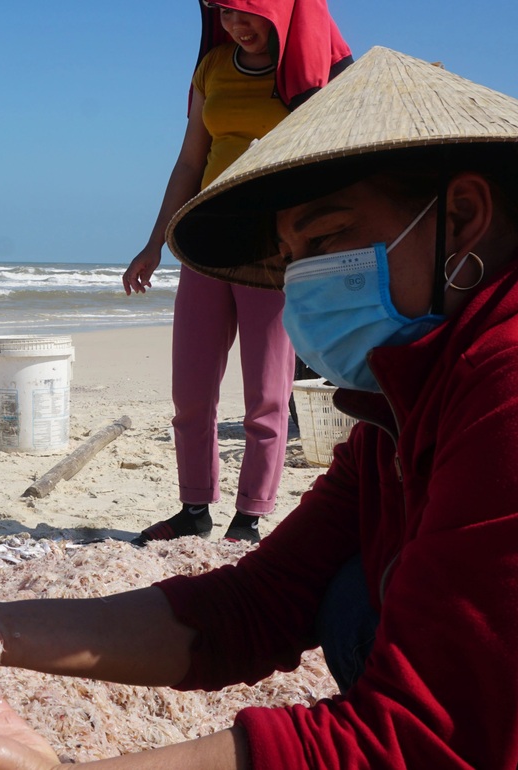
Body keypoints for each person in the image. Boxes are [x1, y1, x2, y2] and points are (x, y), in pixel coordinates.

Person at [0, 47, 518, 769]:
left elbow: (421, 737)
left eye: (327, 240)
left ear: (462, 218)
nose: (303, 284)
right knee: (350, 593)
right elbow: (257, 605)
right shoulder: (414, 383)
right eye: (291, 259)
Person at [123, 0, 352, 545]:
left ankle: (249, 517)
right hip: (206, 239)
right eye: (224, 14)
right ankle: (194, 509)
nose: (236, 26)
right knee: (192, 390)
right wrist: (155, 242)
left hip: (275, 249)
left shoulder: (310, 76)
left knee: (267, 394)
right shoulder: (213, 68)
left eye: (246, 13)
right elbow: (189, 161)